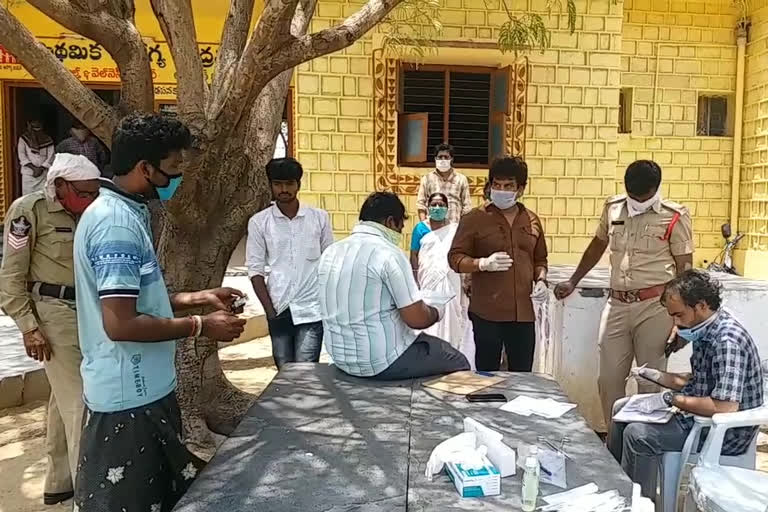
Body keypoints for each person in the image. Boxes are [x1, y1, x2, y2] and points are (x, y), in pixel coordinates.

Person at [72, 113, 246, 512]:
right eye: (172, 171)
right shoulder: (115, 225)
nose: (176, 181)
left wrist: (196, 297)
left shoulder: (126, 212)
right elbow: (120, 323)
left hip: (146, 389)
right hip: (127, 398)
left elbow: (133, 299)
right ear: (144, 167)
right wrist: (202, 325)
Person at [554, 160, 694, 428]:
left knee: (649, 379)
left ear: (656, 188)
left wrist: (682, 323)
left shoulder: (674, 215)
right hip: (617, 303)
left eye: (643, 197)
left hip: (656, 306)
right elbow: (597, 245)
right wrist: (573, 281)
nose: (637, 201)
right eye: (633, 195)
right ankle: (614, 438)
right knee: (608, 379)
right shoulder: (614, 207)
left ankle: (643, 438)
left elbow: (684, 269)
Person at [608, 270, 764, 499]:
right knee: (621, 409)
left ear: (700, 305)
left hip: (723, 432)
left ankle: (640, 503)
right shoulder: (706, 328)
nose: (676, 322)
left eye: (679, 315)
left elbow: (725, 407)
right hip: (699, 417)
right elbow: (698, 381)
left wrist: (670, 399)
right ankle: (616, 489)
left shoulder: (726, 341)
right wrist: (656, 376)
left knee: (639, 435)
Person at [0, 153, 100, 505]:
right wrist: (29, 327)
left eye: (93, 193)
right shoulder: (28, 211)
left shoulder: (89, 211)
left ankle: (60, 481)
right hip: (52, 314)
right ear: (59, 185)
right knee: (81, 404)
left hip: (88, 310)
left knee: (62, 399)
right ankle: (89, 497)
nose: (89, 201)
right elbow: (11, 276)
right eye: (83, 193)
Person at [318, 191, 470, 380]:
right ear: (391, 222)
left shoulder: (331, 252)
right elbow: (417, 320)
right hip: (382, 360)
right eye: (400, 227)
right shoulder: (388, 254)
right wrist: (436, 311)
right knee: (456, 360)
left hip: (340, 357)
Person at [448, 156, 548, 372]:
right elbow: (455, 258)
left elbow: (540, 259)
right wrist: (481, 263)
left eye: (508, 186)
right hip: (487, 313)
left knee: (522, 376)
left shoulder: (532, 220)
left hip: (522, 314)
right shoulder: (474, 218)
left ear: (520, 189)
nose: (501, 190)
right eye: (497, 185)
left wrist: (541, 280)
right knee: (487, 376)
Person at [246, 157, 334, 369]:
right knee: (284, 372)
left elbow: (330, 261)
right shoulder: (259, 222)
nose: (283, 189)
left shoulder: (319, 218)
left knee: (306, 370)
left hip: (312, 308)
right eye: (278, 184)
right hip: (278, 306)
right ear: (271, 185)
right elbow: (255, 270)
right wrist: (270, 311)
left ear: (298, 185)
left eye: (289, 184)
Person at [410, 192, 472, 360]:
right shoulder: (420, 229)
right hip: (427, 278)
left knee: (451, 312)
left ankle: (451, 349)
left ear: (447, 208)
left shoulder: (454, 230)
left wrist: (467, 278)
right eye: (434, 204)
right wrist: (416, 280)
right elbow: (414, 254)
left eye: (441, 205)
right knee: (428, 310)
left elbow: (460, 254)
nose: (437, 208)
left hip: (450, 278)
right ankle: (428, 352)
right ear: (428, 207)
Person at [416, 143, 471, 224]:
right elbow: (421, 204)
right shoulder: (427, 179)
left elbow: (467, 207)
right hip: (432, 229)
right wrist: (424, 226)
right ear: (435, 159)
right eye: (440, 157)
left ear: (451, 159)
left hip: (454, 228)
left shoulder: (461, 179)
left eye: (446, 157)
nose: (443, 159)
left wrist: (462, 228)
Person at [18, 116, 55, 195]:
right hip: (28, 174)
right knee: (27, 198)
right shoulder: (23, 139)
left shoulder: (48, 139)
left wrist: (41, 168)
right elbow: (22, 155)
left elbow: (51, 156)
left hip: (43, 174)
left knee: (43, 197)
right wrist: (34, 169)